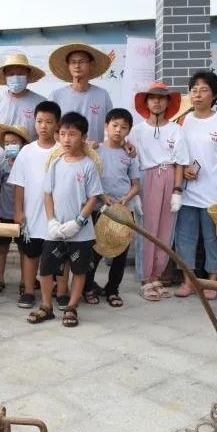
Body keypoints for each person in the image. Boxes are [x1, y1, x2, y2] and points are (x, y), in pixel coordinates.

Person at [171, 70, 217, 300]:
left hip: (215, 193)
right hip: (187, 193)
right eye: (194, 90)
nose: (197, 95)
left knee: (213, 239)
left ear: (214, 95)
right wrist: (184, 169)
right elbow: (176, 156)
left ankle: (212, 282)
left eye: (203, 90)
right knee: (185, 239)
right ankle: (188, 281)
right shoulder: (182, 122)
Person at [26, 111, 102, 327]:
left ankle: (71, 307)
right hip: (55, 230)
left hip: (81, 233)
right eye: (63, 134)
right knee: (46, 268)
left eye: (73, 134)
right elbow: (47, 194)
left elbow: (93, 197)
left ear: (83, 137)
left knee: (79, 270)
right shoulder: (55, 164)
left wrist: (78, 222)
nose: (67, 139)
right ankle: (46, 306)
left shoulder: (88, 165)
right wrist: (51, 221)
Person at [130, 82, 182, 301]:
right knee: (147, 229)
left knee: (166, 229)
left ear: (168, 102)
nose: (157, 101)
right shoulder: (137, 130)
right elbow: (132, 161)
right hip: (146, 177)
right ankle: (145, 278)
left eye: (162, 97)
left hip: (169, 176)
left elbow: (180, 162)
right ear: (146, 102)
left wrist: (177, 190)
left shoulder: (176, 130)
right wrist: (135, 192)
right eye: (152, 97)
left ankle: (157, 275)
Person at [84, 108, 141, 307]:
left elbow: (136, 185)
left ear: (128, 131)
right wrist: (102, 196)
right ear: (106, 126)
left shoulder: (130, 154)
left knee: (120, 252)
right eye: (114, 125)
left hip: (123, 210)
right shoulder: (95, 150)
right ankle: (88, 287)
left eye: (124, 127)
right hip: (98, 208)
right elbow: (89, 180)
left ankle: (113, 289)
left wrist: (126, 199)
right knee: (94, 250)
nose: (118, 130)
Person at [7, 101, 60, 308]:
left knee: (56, 254)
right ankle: (29, 291)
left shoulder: (62, 150)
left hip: (57, 215)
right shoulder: (27, 151)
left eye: (49, 122)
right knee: (30, 254)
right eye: (39, 121)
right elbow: (19, 184)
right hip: (31, 214)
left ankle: (59, 290)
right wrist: (18, 211)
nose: (43, 126)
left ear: (57, 124)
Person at [0, 124, 30, 296]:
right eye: (6, 143)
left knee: (24, 250)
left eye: (14, 142)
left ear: (22, 144)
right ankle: (0, 279)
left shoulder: (28, 165)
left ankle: (24, 281)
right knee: (2, 248)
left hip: (23, 215)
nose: (10, 146)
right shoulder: (1, 166)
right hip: (4, 214)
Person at [48, 43, 113, 144]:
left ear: (91, 65)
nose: (77, 66)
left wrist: (122, 143)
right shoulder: (56, 96)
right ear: (68, 66)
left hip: (95, 151)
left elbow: (112, 125)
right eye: (73, 62)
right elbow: (50, 128)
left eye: (82, 61)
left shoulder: (102, 95)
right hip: (64, 152)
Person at [0, 54, 46, 141]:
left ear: (28, 76)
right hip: (0, 150)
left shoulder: (41, 103)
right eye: (11, 74)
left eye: (20, 74)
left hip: (30, 149)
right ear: (5, 77)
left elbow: (47, 135)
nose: (15, 77)